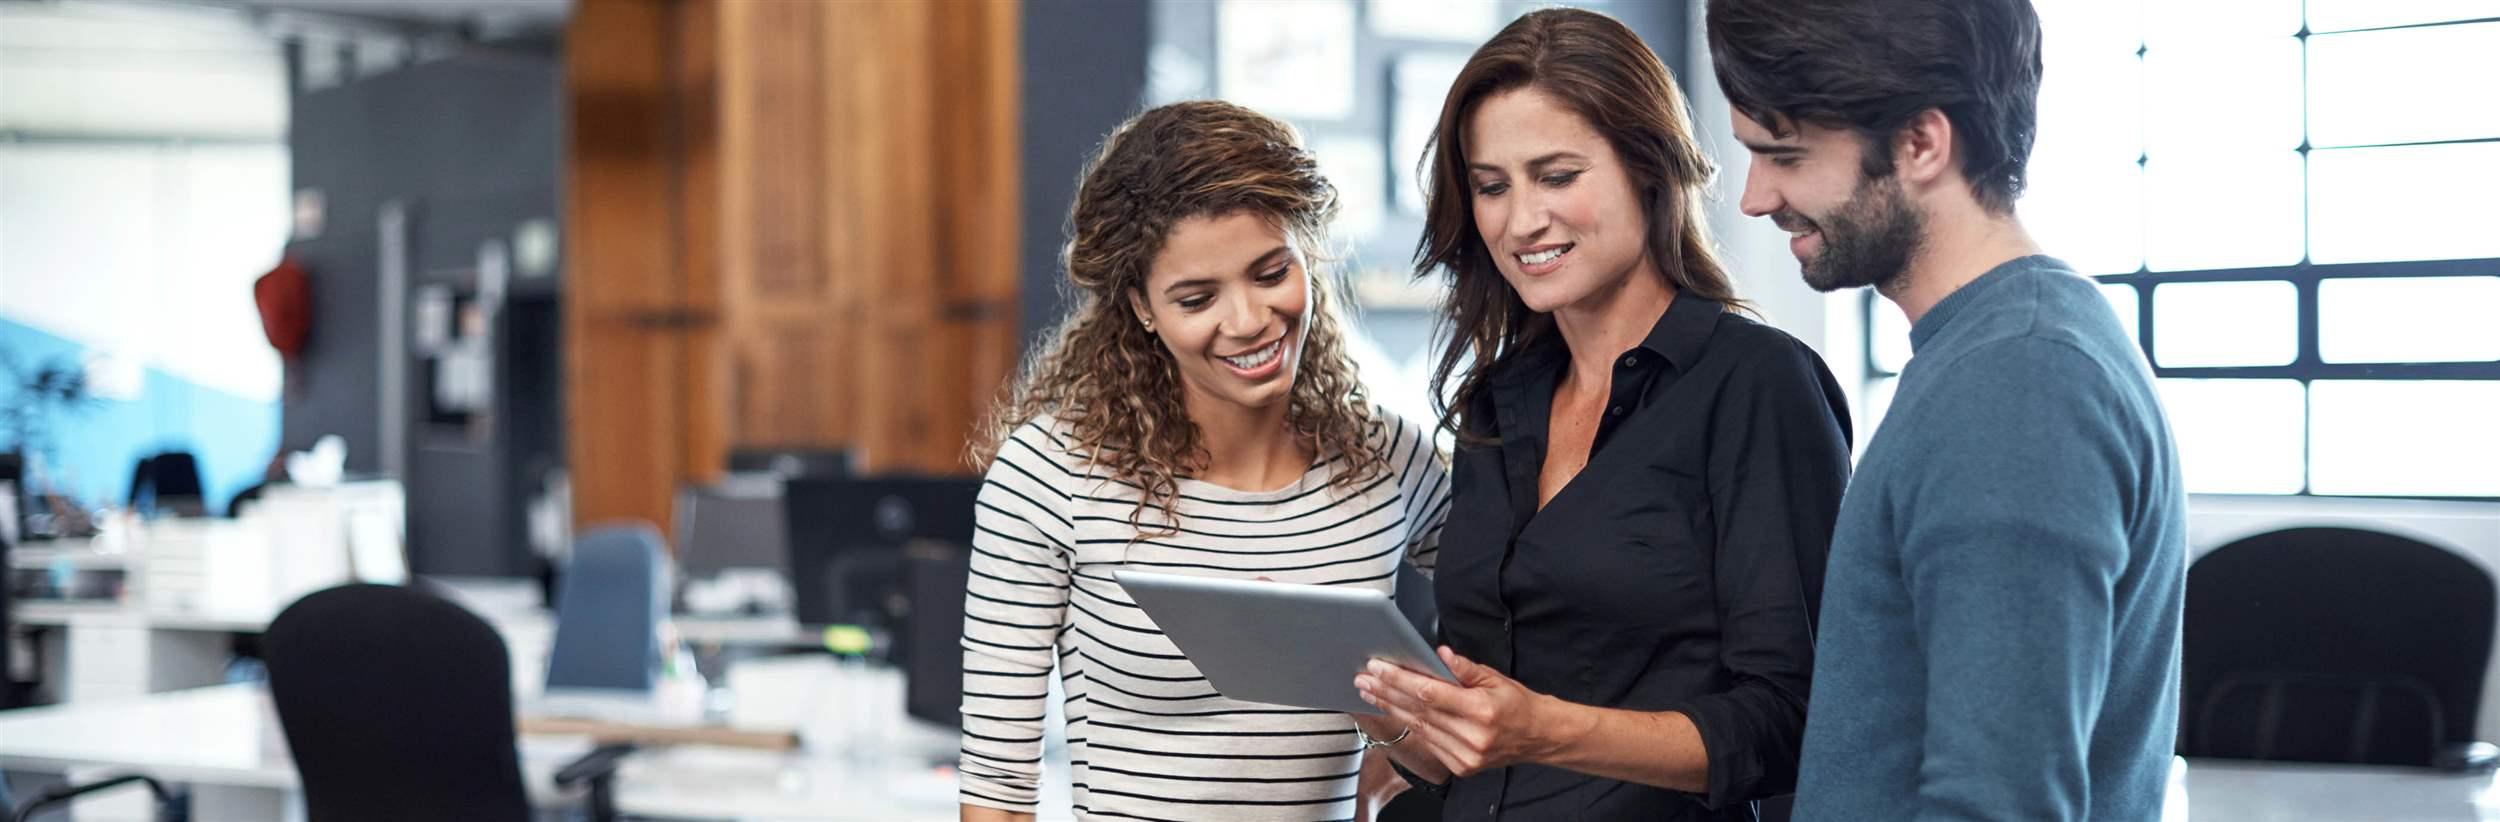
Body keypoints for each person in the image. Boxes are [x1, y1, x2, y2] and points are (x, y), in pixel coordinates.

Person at [1353, 8, 1853, 820]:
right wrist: (1385, 716)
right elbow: (1479, 740)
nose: (1520, 222)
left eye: (1556, 176)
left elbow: (1791, 724)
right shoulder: (1495, 402)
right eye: (1491, 186)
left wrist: (1543, 731)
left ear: (1647, 168)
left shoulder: (1758, 386)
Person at [1705, 0, 2187, 818]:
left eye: (1783, 155)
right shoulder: (2001, 348)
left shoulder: (2018, 384)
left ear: (1922, 144)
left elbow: (1997, 803)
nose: (1755, 198)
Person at [957, 100, 1452, 822]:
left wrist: (1394, 732)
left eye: (1270, 271)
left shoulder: (1394, 462)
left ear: (1306, 254)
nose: (1249, 320)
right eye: (1197, 297)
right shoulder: (1050, 476)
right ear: (1142, 306)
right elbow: (997, 786)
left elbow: (1492, 711)